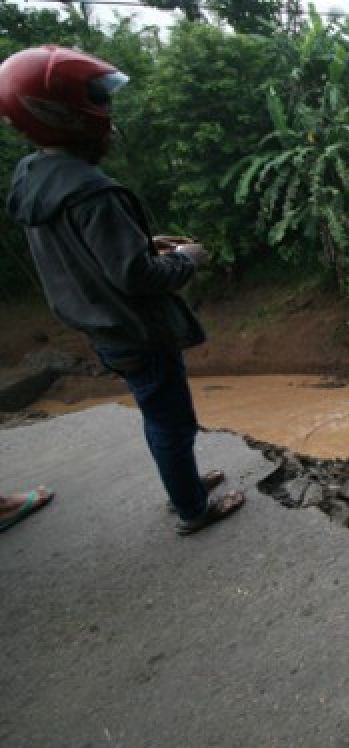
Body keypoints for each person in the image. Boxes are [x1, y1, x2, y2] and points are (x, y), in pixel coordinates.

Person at [1, 45, 244, 535]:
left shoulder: (33, 176)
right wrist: (184, 260)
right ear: (67, 114)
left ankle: (186, 486)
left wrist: (139, 243)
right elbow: (137, 277)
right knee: (171, 422)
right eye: (97, 101)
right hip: (137, 330)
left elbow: (83, 250)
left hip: (100, 324)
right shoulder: (93, 191)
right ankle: (193, 509)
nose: (107, 114)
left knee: (162, 415)